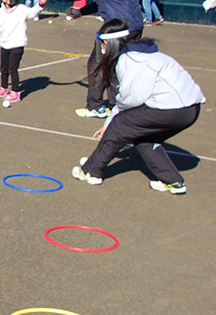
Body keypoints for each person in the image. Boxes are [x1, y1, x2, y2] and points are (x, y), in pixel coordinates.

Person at [71, 18, 205, 195]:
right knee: (143, 137)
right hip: (190, 109)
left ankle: (91, 171)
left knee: (121, 126)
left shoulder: (132, 60)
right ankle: (173, 182)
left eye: (102, 44)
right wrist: (107, 124)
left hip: (172, 108)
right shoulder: (140, 54)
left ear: (108, 43)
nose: (101, 49)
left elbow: (131, 100)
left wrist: (110, 124)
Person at [42, 0, 144, 118]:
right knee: (114, 65)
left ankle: (95, 106)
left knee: (96, 64)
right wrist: (82, 12)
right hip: (135, 26)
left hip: (116, 28)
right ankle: (115, 104)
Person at [0, 0, 42, 104]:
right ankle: (4, 88)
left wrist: (40, 4)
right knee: (3, 68)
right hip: (5, 44)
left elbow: (32, 13)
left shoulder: (22, 9)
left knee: (12, 69)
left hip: (18, 44)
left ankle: (15, 92)